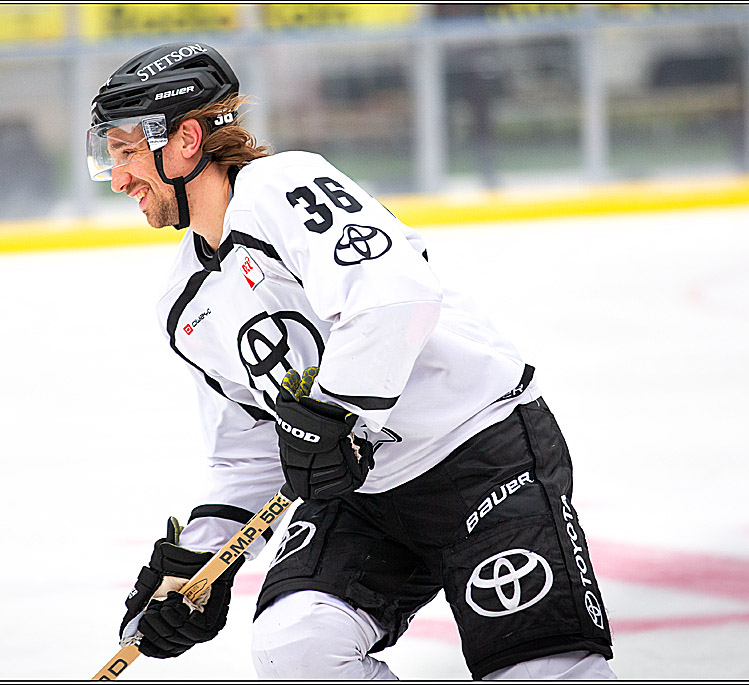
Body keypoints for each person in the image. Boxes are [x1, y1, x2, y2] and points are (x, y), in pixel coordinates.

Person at [87, 41, 616, 680]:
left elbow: (395, 294)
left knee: (544, 672)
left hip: (478, 453)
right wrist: (195, 568)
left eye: (125, 153)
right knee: (297, 648)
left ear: (186, 139)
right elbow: (249, 453)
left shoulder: (281, 186)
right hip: (360, 494)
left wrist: (335, 414)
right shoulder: (185, 304)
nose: (117, 178)